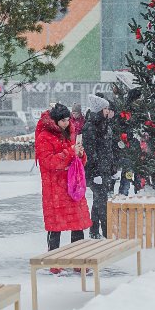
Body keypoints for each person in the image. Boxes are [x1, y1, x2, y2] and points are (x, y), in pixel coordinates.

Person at [35, 103, 92, 251]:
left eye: (68, 120)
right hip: (54, 189)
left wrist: (80, 154)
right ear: (55, 120)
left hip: (72, 187)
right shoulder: (44, 137)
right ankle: (54, 262)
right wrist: (70, 152)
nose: (67, 123)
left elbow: (78, 162)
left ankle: (78, 260)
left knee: (78, 226)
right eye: (63, 120)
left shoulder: (69, 134)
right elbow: (49, 162)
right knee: (55, 228)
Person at [81, 94, 116, 239]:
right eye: (105, 108)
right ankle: (106, 232)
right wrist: (96, 173)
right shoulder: (91, 127)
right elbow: (91, 152)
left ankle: (94, 231)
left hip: (104, 169)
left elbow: (108, 150)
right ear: (99, 110)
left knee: (98, 201)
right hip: (97, 171)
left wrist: (112, 168)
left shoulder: (104, 125)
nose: (108, 111)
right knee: (102, 202)